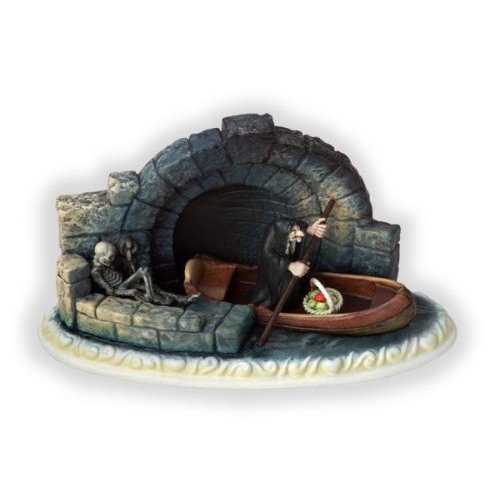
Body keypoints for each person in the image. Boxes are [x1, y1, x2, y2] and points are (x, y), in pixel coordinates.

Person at [249, 216, 327, 309]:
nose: (299, 239)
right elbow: (266, 256)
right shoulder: (275, 235)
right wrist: (289, 265)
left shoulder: (291, 228)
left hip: (289, 283)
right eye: (293, 233)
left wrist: (310, 229)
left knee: (292, 291)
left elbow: (299, 226)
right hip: (273, 279)